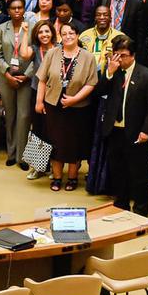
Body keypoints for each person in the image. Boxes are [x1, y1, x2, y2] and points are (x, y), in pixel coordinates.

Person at [93, 35, 148, 214]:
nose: (118, 59)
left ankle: (140, 209)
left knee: (139, 174)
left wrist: (147, 131)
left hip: (137, 132)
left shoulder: (147, 75)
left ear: (133, 55)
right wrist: (109, 72)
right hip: (114, 130)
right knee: (117, 171)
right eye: (116, 55)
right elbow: (99, 91)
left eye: (122, 55)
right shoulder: (113, 72)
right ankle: (120, 206)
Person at [37, 20, 98, 191]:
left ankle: (72, 178)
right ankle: (57, 178)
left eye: (72, 33)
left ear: (78, 35)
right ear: (60, 36)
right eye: (64, 34)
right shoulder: (52, 53)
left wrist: (74, 99)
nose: (68, 36)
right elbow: (42, 79)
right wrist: (39, 101)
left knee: (74, 144)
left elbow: (91, 84)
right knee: (55, 143)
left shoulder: (88, 57)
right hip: (53, 105)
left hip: (78, 108)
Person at [0, 0, 36, 167]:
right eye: (13, 8)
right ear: (8, 10)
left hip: (26, 77)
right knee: (10, 115)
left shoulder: (32, 28)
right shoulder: (2, 28)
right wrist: (7, 75)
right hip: (6, 77)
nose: (17, 11)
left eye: (20, 7)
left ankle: (22, 156)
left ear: (24, 9)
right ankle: (11, 153)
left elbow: (38, 54)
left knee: (24, 116)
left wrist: (27, 75)